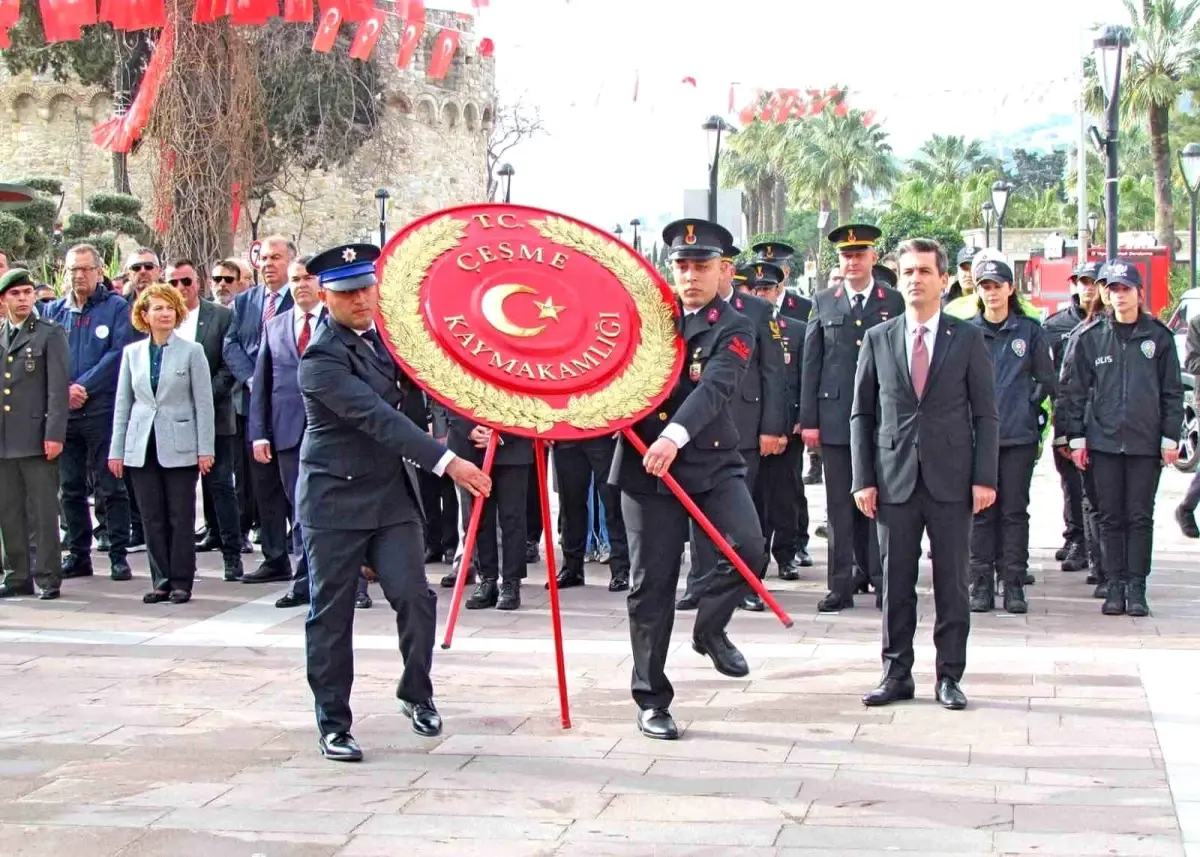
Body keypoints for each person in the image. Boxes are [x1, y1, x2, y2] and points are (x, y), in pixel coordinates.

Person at [296, 243, 490, 761]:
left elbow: (440, 379)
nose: (361, 299)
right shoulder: (321, 359)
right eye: (347, 292)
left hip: (389, 497)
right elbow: (381, 420)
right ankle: (333, 722)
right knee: (331, 616)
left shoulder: (389, 343)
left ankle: (416, 691)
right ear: (325, 296)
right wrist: (449, 462)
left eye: (366, 288)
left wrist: (489, 411)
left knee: (414, 597)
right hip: (334, 499)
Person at [611, 218, 765, 741]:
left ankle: (710, 627)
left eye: (702, 265)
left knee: (748, 549)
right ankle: (651, 698)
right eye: (682, 265)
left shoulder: (736, 324)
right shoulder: (644, 318)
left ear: (724, 270)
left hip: (709, 460)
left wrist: (674, 436)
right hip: (643, 468)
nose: (691, 275)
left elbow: (716, 387)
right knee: (650, 586)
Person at [850, 237, 999, 711]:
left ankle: (949, 675)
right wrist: (862, 478)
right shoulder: (879, 337)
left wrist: (985, 477)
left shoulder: (967, 338)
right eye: (908, 271)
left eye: (924, 272)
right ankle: (896, 673)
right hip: (893, 480)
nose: (915, 279)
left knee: (952, 582)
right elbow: (862, 415)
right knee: (895, 583)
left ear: (944, 280)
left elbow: (986, 415)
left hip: (952, 480)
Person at [1058, 260, 1182, 617]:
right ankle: (1113, 585)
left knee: (1139, 517)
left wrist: (1170, 437)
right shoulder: (1091, 336)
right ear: (1105, 294)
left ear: (1139, 293)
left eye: (1125, 289)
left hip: (1145, 444)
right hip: (1104, 442)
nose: (1119, 295)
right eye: (1112, 289)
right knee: (1109, 516)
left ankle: (1136, 586)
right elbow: (1073, 391)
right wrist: (1076, 439)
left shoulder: (1158, 337)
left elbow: (1172, 391)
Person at [678, 242, 787, 613]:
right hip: (695, 427)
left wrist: (773, 425)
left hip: (743, 422)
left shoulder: (755, 310)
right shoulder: (680, 311)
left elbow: (773, 369)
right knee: (699, 508)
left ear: (726, 269)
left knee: (745, 510)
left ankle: (744, 583)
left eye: (712, 265)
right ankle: (701, 581)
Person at [801, 224, 904, 611]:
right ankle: (839, 584)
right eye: (846, 255)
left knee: (882, 502)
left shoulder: (892, 301)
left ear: (873, 258)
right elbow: (812, 363)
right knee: (839, 504)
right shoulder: (824, 300)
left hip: (882, 418)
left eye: (860, 254)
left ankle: (880, 579)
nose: (853, 261)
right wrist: (809, 419)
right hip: (835, 418)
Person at [109, 284, 215, 604]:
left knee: (180, 516)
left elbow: (204, 403)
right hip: (142, 446)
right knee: (150, 516)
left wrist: (205, 448)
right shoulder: (132, 354)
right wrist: (117, 450)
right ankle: (161, 579)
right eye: (158, 308)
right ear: (145, 315)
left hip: (180, 444)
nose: (165, 313)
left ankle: (182, 580)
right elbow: (123, 404)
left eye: (170, 307)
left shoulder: (192, 351)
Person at [965, 259, 1056, 615]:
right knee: (980, 513)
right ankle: (980, 583)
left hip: (1018, 436)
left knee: (1015, 512)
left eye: (997, 285)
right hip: (976, 438)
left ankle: (1014, 582)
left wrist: (1026, 405)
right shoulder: (966, 331)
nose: (991, 292)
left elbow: (1046, 379)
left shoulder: (1029, 332)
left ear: (1010, 288)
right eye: (984, 286)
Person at [43, 243, 136, 582]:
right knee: (70, 488)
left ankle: (117, 554)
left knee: (111, 487)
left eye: (85, 269)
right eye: (73, 270)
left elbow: (119, 353)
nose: (79, 275)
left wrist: (83, 387)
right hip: (64, 414)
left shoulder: (116, 308)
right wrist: (65, 390)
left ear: (99, 271)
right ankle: (79, 554)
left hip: (102, 410)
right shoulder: (54, 311)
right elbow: (46, 357)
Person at [224, 236, 296, 583]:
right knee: (263, 485)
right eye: (264, 258)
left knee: (296, 486)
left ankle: (307, 559)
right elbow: (231, 343)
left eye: (277, 258)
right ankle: (274, 556)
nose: (269, 264)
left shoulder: (301, 301)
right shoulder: (245, 302)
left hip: (292, 405)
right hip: (254, 405)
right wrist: (252, 378)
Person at [167, 260, 243, 582]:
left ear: (197, 282)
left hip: (215, 415)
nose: (180, 289)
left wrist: (201, 397)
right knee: (180, 491)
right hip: (174, 420)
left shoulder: (221, 317)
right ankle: (180, 561)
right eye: (173, 283)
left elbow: (230, 366)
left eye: (186, 282)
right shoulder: (161, 318)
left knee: (221, 485)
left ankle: (232, 555)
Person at [0, 269, 69, 600]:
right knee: (8, 511)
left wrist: (54, 433)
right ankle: (17, 575)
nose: (24, 298)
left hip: (37, 437)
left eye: (28, 292)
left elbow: (57, 389)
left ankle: (47, 576)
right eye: (16, 294)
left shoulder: (48, 333)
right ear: (3, 300)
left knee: (42, 512)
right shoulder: (0, 333)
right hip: (4, 440)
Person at [744, 261, 808, 584]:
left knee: (785, 496)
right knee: (754, 500)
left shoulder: (795, 329)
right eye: (756, 289)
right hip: (752, 431)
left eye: (767, 288)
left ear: (778, 290)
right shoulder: (742, 327)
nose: (761, 294)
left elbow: (797, 379)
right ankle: (757, 560)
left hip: (787, 428)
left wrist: (795, 421)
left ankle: (787, 554)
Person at [1044, 261, 1101, 572]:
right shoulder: (1055, 327)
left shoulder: (1111, 324)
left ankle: (1098, 550)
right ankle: (1076, 537)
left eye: (1093, 281)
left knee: (1098, 490)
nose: (1088, 287)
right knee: (1072, 484)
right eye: (1082, 281)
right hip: (1068, 414)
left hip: (1103, 419)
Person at [444, 413, 532, 611]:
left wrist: (501, 435)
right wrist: (469, 429)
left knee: (513, 517)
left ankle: (511, 582)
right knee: (479, 518)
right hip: (471, 448)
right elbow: (451, 392)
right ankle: (487, 579)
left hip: (513, 443)